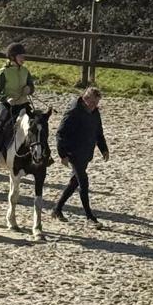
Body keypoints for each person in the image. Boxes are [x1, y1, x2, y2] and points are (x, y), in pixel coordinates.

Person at [54, 86, 110, 223]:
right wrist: (63, 155)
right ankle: (89, 216)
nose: (94, 106)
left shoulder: (95, 112)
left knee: (74, 182)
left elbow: (98, 132)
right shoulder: (73, 111)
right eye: (92, 103)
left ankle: (57, 209)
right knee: (83, 182)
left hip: (86, 152)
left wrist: (104, 149)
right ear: (85, 99)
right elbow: (60, 134)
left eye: (96, 104)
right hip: (73, 152)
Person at [0, 43, 35, 163]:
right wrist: (6, 98)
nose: (24, 58)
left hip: (23, 103)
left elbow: (31, 86)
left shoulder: (25, 71)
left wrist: (29, 89)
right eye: (21, 56)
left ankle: (44, 154)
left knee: (38, 125)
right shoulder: (3, 72)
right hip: (8, 105)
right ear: (13, 57)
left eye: (24, 56)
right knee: (0, 127)